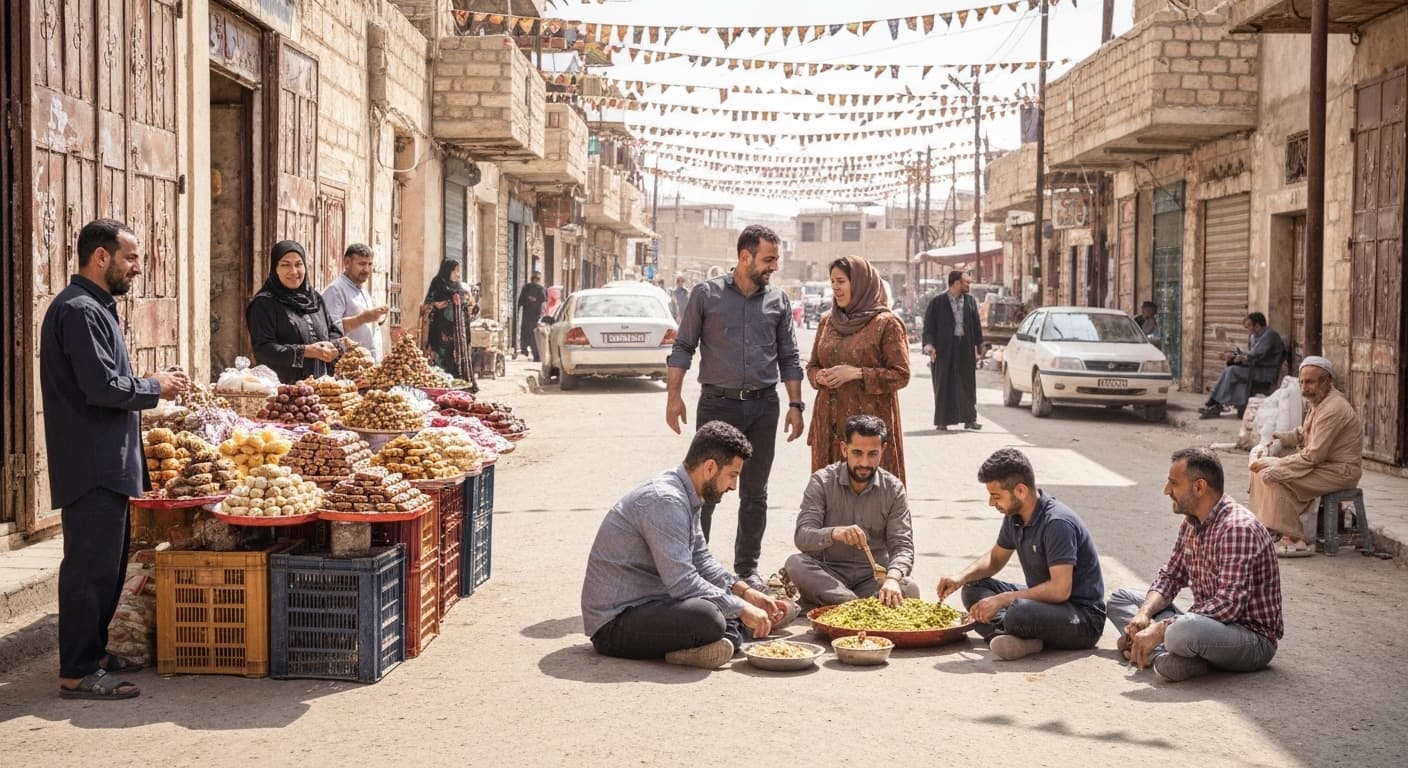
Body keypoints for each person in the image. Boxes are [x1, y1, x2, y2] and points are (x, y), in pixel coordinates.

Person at [41, 218, 190, 700]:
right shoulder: (81, 310)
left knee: (104, 567)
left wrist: (144, 378)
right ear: (100, 257)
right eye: (130, 258)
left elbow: (103, 377)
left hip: (105, 460)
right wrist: (155, 387)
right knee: (88, 569)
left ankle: (93, 655)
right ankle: (78, 671)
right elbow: (101, 388)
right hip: (93, 464)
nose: (137, 268)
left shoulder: (92, 308)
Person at [582, 421, 797, 669]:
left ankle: (734, 634)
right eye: (732, 475)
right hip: (614, 625)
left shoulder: (687, 494)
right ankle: (728, 635)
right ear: (709, 467)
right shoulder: (666, 501)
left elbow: (701, 560)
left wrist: (746, 593)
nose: (733, 486)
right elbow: (682, 581)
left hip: (653, 604)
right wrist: (742, 609)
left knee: (719, 609)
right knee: (709, 618)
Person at [666, 224, 805, 589]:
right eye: (769, 259)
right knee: (705, 489)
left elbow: (789, 356)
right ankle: (697, 569)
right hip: (717, 406)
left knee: (755, 493)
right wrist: (673, 397)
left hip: (763, 407)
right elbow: (683, 347)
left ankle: (746, 570)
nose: (774, 266)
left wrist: (795, 404)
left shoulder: (778, 301)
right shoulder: (705, 295)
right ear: (745, 257)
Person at [1108, 448, 1282, 682]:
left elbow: (1228, 605)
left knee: (1181, 631)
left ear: (1199, 487)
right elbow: (1170, 576)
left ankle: (1160, 650)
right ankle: (1164, 654)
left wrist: (1160, 629)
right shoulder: (1190, 523)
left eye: (1173, 483)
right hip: (1205, 623)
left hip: (1249, 637)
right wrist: (1144, 614)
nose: (1166, 490)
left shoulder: (1237, 528)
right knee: (1121, 599)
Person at [936, 448, 1106, 661]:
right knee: (974, 589)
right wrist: (960, 578)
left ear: (1021, 491)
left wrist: (1004, 600)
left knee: (1019, 613)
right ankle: (1023, 638)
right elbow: (995, 559)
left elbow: (1060, 590)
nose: (991, 503)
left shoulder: (1057, 523)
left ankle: (1015, 632)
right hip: (1044, 605)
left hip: (1081, 617)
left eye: (996, 496)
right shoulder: (1014, 515)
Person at [784, 415, 920, 608]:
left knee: (909, 587)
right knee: (795, 563)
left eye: (873, 454)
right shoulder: (822, 482)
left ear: (884, 450)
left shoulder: (894, 489)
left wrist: (892, 579)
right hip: (829, 574)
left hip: (873, 579)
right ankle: (859, 607)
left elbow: (903, 547)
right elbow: (802, 537)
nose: (864, 463)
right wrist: (835, 533)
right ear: (844, 449)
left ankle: (840, 606)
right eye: (857, 453)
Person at [805, 256, 910, 483]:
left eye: (841, 281)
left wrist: (856, 373)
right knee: (830, 495)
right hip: (828, 423)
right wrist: (818, 376)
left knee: (871, 497)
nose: (835, 287)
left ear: (860, 283)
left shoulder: (886, 324)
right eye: (832, 281)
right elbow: (812, 365)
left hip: (868, 430)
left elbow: (901, 375)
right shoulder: (827, 321)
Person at [1248, 356, 1363, 557]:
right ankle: (1268, 527)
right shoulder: (1319, 400)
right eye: (1302, 382)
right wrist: (1282, 438)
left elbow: (1313, 456)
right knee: (1260, 471)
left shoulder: (1334, 408)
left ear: (1327, 382)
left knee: (1273, 475)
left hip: (1340, 471)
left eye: (1310, 382)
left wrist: (1278, 462)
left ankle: (1294, 538)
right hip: (1323, 466)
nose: (1304, 387)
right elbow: (1304, 433)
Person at [246, 240, 345, 383]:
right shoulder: (264, 303)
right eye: (285, 265)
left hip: (322, 390)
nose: (293, 271)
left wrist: (334, 346)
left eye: (298, 264)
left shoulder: (314, 298)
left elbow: (334, 331)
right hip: (284, 393)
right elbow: (263, 349)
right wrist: (305, 351)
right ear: (275, 269)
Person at [922, 270, 983, 431]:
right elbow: (928, 327)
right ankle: (943, 420)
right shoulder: (937, 302)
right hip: (943, 348)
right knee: (944, 383)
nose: (968, 285)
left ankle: (970, 419)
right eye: (966, 283)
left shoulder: (970, 301)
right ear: (956, 283)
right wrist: (930, 346)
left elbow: (976, 325)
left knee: (967, 383)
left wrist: (979, 346)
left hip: (965, 346)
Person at [1200, 312, 1285, 418]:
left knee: (1231, 371)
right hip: (1255, 368)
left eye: (1249, 326)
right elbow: (1249, 355)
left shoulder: (1269, 335)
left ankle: (1215, 402)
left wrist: (1239, 357)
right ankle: (1217, 403)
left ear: (1257, 326)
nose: (1247, 328)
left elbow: (1255, 354)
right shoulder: (1254, 336)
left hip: (1265, 372)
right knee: (1231, 369)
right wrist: (1233, 356)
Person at [322, 243, 389, 362]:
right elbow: (331, 330)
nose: (367, 270)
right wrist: (362, 318)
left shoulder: (362, 289)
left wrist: (378, 316)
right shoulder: (336, 290)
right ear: (347, 263)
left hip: (368, 365)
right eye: (362, 264)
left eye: (369, 264)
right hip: (349, 367)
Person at [421, 259, 472, 379]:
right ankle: (440, 380)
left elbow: (465, 302)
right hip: (440, 328)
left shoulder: (458, 285)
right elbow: (428, 303)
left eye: (458, 271)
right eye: (455, 271)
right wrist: (436, 304)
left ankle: (458, 380)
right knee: (441, 355)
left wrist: (468, 305)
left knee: (455, 355)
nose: (457, 274)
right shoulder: (438, 282)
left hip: (457, 329)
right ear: (448, 270)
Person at [516, 271, 548, 361]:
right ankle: (535, 355)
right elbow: (543, 303)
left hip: (527, 316)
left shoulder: (526, 288)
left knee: (527, 334)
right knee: (534, 335)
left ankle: (525, 350)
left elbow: (520, 301)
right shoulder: (540, 289)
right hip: (534, 317)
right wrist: (543, 315)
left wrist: (518, 312)